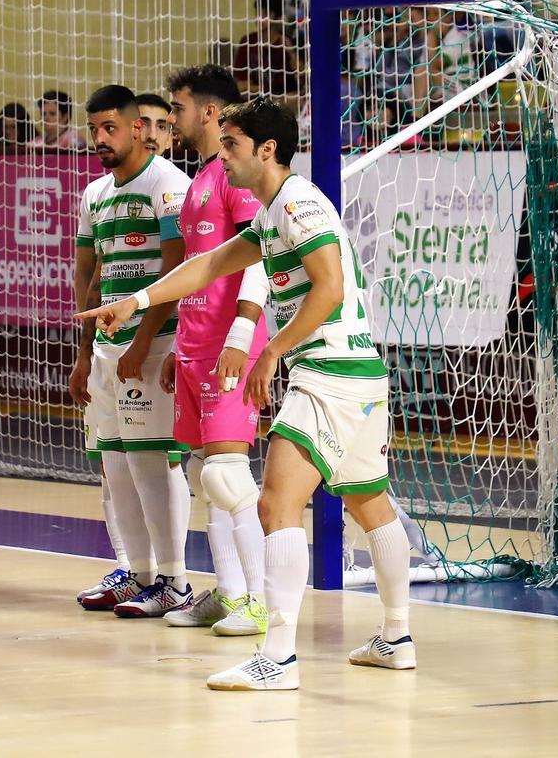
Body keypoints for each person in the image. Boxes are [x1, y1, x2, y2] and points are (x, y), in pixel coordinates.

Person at [77, 97, 414, 691]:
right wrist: (136, 301)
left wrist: (270, 351)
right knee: (369, 503)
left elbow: (330, 287)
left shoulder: (300, 203)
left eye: (232, 145)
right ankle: (397, 636)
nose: (223, 155)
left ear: (267, 149)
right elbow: (209, 266)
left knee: (274, 505)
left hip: (329, 372)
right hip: (357, 373)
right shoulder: (272, 212)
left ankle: (278, 658)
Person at [70, 84, 192, 617]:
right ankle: (139, 575)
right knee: (114, 465)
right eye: (94, 129)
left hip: (154, 344)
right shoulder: (95, 194)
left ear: (137, 128)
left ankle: (175, 581)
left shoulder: (167, 183)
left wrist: (143, 343)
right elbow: (90, 276)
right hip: (106, 348)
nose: (100, 138)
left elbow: (178, 268)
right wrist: (83, 353)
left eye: (110, 128)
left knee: (152, 464)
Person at [160, 64, 271, 637]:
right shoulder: (201, 178)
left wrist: (240, 335)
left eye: (176, 109)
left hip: (230, 347)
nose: (170, 119)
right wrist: (178, 344)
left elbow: (259, 255)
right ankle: (229, 593)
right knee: (204, 472)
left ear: (207, 111)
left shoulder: (234, 176)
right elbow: (197, 269)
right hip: (195, 344)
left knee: (228, 474)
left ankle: (259, 600)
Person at [231, 0, 300, 103]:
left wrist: (291, 53)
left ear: (278, 17)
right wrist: (253, 89)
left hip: (279, 101)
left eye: (265, 14)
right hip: (253, 100)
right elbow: (239, 82)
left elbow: (298, 81)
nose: (260, 18)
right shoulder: (247, 41)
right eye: (258, 13)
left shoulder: (286, 43)